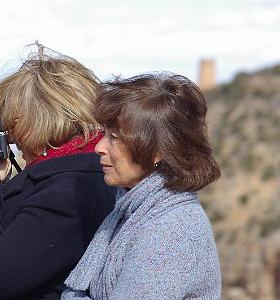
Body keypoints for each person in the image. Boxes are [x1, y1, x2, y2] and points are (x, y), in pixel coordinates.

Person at [0, 44, 116, 300]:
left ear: (39, 119)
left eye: (13, 121)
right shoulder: (89, 172)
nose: (10, 136)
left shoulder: (69, 193)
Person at [62, 73, 222, 299]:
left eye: (114, 137)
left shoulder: (170, 232)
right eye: (104, 134)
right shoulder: (133, 209)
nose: (99, 147)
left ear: (158, 150)